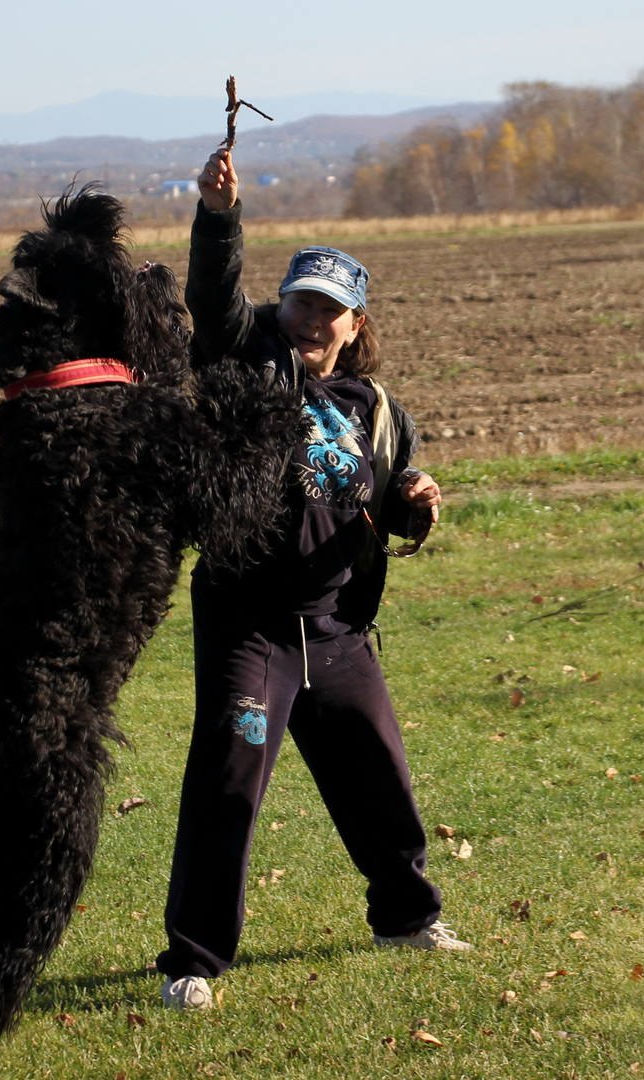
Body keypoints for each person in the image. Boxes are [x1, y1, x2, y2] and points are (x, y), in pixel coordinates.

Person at [156, 148, 471, 1012]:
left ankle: (406, 919)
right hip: (251, 628)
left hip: (336, 630)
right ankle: (193, 961)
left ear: (354, 321)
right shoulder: (243, 365)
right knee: (227, 784)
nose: (309, 318)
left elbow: (383, 506)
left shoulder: (377, 411)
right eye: (299, 300)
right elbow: (212, 302)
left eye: (328, 308)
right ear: (281, 303)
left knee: (380, 780)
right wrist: (219, 216)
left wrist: (414, 502)